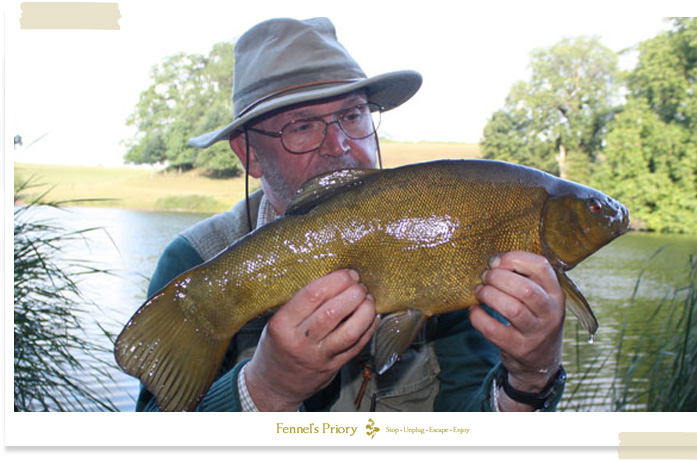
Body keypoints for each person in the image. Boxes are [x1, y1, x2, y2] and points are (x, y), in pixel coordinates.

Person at [135, 17, 567, 412]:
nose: (340, 145)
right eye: (302, 126)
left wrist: (530, 378)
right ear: (249, 155)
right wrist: (268, 388)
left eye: (353, 115)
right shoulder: (197, 263)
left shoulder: (443, 248)